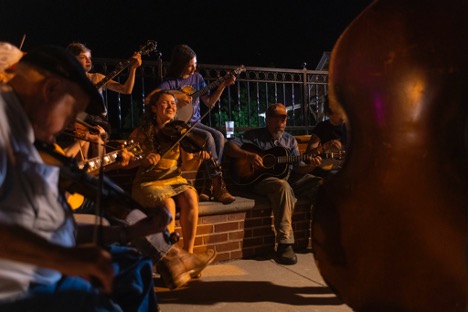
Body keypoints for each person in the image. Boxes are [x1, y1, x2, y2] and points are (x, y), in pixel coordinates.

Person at [0, 45, 171, 311]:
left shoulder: (31, 138)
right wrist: (66, 259)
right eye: (71, 113)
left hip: (48, 265)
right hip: (21, 285)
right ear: (50, 90)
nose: (70, 125)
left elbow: (54, 230)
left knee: (134, 267)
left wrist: (128, 232)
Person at [225, 103, 323, 265]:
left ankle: (322, 236)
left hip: (289, 177)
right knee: (282, 187)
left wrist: (310, 166)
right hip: (260, 180)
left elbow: (298, 169)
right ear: (268, 120)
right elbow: (229, 147)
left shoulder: (290, 140)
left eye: (283, 120)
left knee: (321, 185)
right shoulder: (253, 136)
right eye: (277, 120)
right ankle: (285, 243)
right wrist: (248, 155)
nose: (281, 124)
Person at [129, 90, 216, 260]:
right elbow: (126, 162)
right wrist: (143, 161)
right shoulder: (142, 133)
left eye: (173, 103)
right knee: (168, 204)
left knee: (191, 195)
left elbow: (188, 164)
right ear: (154, 108)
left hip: (173, 179)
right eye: (165, 102)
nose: (171, 106)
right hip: (148, 182)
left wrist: (198, 160)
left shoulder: (180, 132)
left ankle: (188, 254)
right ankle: (169, 257)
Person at [149, 44, 235, 204]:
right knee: (209, 137)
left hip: (196, 122)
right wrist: (176, 98)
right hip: (178, 125)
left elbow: (209, 102)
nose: (193, 68)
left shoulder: (198, 79)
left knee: (219, 136)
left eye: (195, 64)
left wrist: (222, 85)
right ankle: (216, 186)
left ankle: (210, 184)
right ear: (180, 64)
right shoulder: (170, 82)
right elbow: (152, 96)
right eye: (190, 65)